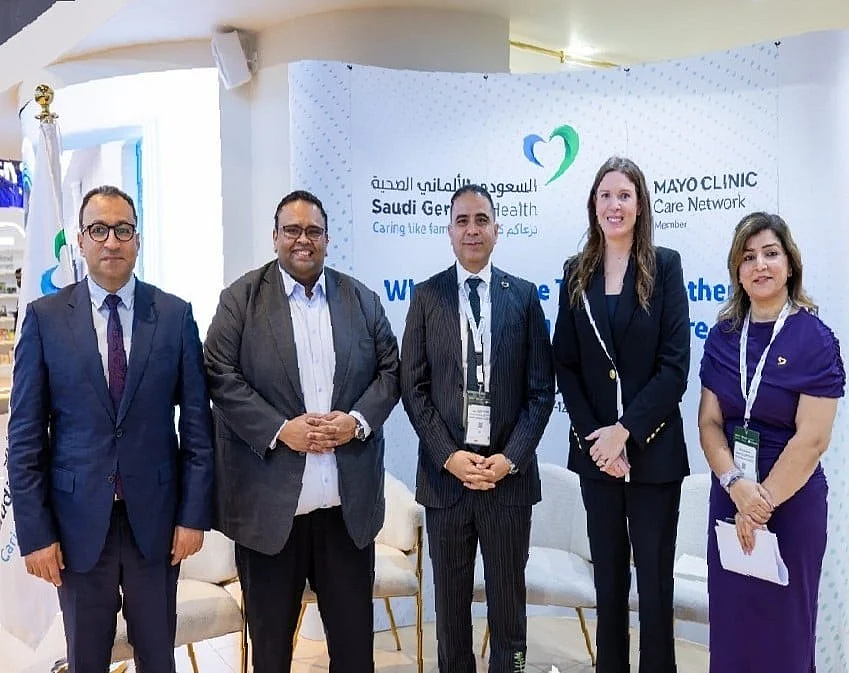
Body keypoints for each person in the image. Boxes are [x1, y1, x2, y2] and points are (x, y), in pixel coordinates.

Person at [8, 185, 214, 673]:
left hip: (156, 527)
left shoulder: (174, 316)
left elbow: (198, 428)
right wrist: (35, 534)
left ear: (137, 239)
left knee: (158, 659)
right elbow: (26, 439)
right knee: (87, 661)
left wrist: (193, 518)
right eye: (99, 230)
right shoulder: (44, 319)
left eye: (123, 230)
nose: (111, 241)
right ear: (80, 240)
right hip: (76, 530)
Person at [204, 189, 400, 673]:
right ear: (275, 236)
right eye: (292, 230)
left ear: (328, 239)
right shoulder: (240, 300)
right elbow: (219, 374)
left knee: (354, 655)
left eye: (313, 231)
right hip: (270, 517)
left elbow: (391, 372)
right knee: (271, 656)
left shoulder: (362, 300)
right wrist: (279, 430)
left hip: (346, 515)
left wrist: (356, 421)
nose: (303, 240)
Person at [400, 184, 554, 673]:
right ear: (449, 231)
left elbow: (540, 391)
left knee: (510, 612)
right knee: (450, 614)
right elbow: (413, 388)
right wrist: (449, 456)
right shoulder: (426, 297)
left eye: (481, 220)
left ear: (496, 230)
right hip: (447, 481)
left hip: (507, 481)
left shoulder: (524, 297)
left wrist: (511, 459)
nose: (472, 230)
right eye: (462, 221)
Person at [552, 157, 690, 673]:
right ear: (594, 204)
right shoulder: (576, 271)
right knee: (608, 586)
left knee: (654, 588)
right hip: (597, 461)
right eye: (605, 195)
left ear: (640, 204)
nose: (615, 205)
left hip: (653, 455)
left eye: (624, 195)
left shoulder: (665, 266)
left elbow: (674, 367)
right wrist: (598, 439)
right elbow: (565, 363)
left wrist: (625, 433)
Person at [698, 212, 844, 672]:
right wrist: (735, 485)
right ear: (737, 271)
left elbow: (813, 440)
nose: (759, 265)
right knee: (732, 630)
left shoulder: (815, 339)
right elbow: (709, 423)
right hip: (730, 499)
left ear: (790, 264)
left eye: (770, 253)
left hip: (790, 505)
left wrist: (759, 505)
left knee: (784, 636)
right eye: (748, 257)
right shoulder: (722, 336)